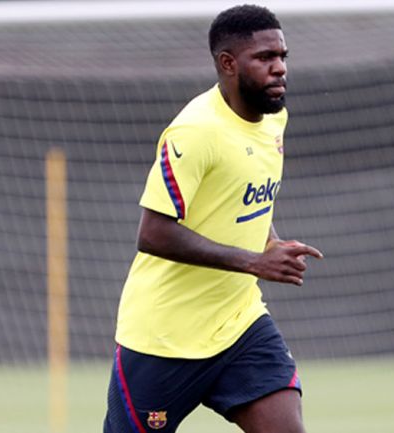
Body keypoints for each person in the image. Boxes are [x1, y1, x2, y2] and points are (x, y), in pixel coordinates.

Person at [103, 5, 322, 433]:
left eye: (283, 56)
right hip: (164, 338)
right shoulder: (194, 132)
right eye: (265, 58)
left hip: (239, 324)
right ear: (228, 63)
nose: (279, 68)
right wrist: (254, 262)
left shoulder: (275, 118)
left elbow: (248, 196)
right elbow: (152, 234)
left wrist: (270, 242)